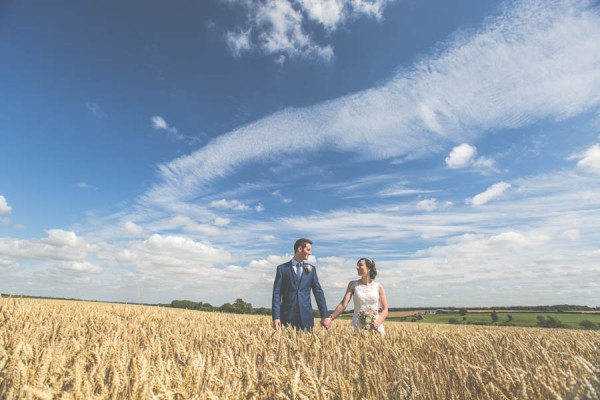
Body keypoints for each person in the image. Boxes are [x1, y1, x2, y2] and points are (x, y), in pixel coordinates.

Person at [272, 238, 332, 330]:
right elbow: (277, 294)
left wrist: (325, 315)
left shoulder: (311, 269)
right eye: (308, 250)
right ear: (300, 249)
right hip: (287, 317)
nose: (310, 253)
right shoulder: (282, 269)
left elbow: (318, 292)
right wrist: (276, 317)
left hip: (306, 318)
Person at [329, 258, 388, 335]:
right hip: (357, 326)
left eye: (360, 265)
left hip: (375, 326)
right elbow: (343, 304)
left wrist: (378, 323)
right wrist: (330, 318)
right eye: (357, 266)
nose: (357, 268)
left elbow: (385, 309)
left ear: (369, 268)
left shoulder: (379, 287)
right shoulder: (352, 284)